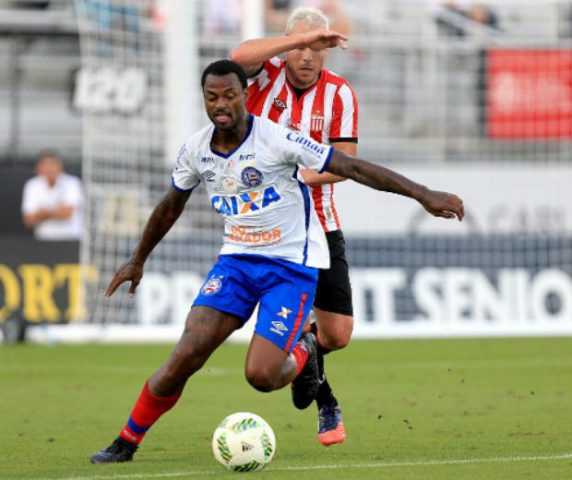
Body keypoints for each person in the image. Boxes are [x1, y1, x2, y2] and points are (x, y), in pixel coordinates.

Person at [90, 59, 464, 464]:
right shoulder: (196, 149)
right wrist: (138, 258)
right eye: (212, 97)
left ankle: (304, 349)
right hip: (235, 264)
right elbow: (169, 206)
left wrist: (423, 194)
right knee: (187, 353)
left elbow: (352, 167)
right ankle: (126, 442)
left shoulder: (278, 139)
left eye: (229, 95)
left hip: (289, 267)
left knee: (261, 376)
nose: (221, 104)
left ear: (245, 95)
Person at [229, 6, 357, 446]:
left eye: (316, 47)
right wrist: (294, 40)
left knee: (337, 335)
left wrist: (295, 176)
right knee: (276, 340)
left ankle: (305, 352)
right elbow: (238, 55)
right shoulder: (264, 77)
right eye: (300, 47)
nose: (306, 57)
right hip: (268, 232)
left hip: (321, 224)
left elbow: (346, 163)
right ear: (287, 48)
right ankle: (327, 404)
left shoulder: (339, 94)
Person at [21, 150, 84, 241]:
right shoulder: (32, 185)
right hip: (43, 240)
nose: (49, 168)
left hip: (71, 238)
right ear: (38, 168)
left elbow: (67, 214)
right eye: (45, 165)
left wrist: (42, 213)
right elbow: (29, 220)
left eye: (53, 164)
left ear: (61, 167)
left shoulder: (72, 183)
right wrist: (58, 211)